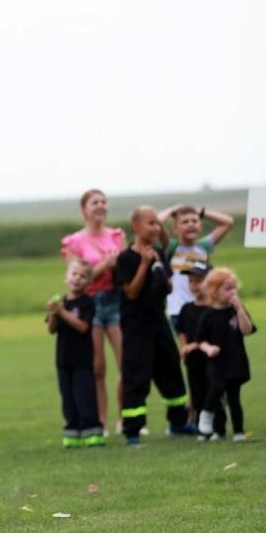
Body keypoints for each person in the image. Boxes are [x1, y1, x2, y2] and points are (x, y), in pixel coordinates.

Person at [114, 206, 194, 445]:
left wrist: (160, 272)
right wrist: (144, 264)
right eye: (151, 223)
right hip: (136, 328)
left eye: (158, 223)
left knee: (171, 370)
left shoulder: (159, 252)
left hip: (159, 322)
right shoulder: (125, 258)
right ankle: (133, 431)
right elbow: (131, 292)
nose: (156, 228)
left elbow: (168, 287)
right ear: (136, 226)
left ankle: (178, 422)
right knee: (136, 377)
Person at [60, 188, 125, 433]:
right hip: (90, 304)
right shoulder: (73, 242)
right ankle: (101, 422)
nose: (100, 206)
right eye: (94, 202)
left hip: (115, 300)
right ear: (84, 209)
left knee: (126, 364)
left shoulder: (117, 236)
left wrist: (118, 266)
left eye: (103, 202)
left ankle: (125, 419)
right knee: (98, 368)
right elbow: (77, 280)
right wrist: (105, 264)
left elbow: (126, 271)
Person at [46, 259, 104, 448]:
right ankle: (72, 433)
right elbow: (52, 329)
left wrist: (62, 312)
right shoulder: (61, 302)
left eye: (83, 276)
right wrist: (53, 313)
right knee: (68, 398)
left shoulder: (87, 303)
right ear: (66, 277)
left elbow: (83, 327)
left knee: (85, 397)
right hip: (63, 361)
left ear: (89, 283)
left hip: (82, 361)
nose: (77, 278)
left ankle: (93, 432)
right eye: (74, 274)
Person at [195, 268, 256, 443]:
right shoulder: (208, 315)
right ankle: (207, 415)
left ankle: (238, 431)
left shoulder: (236, 311)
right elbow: (200, 340)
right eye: (228, 289)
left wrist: (240, 309)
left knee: (234, 398)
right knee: (216, 387)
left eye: (234, 288)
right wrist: (208, 349)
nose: (232, 292)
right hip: (216, 362)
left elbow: (247, 330)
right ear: (214, 292)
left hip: (235, 361)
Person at [157, 202, 234, 331]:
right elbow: (158, 222)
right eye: (185, 222)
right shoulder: (172, 248)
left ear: (200, 226)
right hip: (179, 311)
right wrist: (173, 210)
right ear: (175, 228)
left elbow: (228, 222)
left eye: (194, 221)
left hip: (204, 308)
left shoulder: (203, 247)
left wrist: (201, 212)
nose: (191, 224)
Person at [175, 262, 215, 431]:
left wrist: (195, 345)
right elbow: (181, 330)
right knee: (195, 390)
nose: (194, 285)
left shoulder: (214, 310)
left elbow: (214, 335)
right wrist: (184, 346)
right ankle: (197, 421)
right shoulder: (187, 309)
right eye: (191, 281)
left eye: (199, 281)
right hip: (193, 361)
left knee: (212, 390)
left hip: (211, 359)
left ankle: (214, 423)